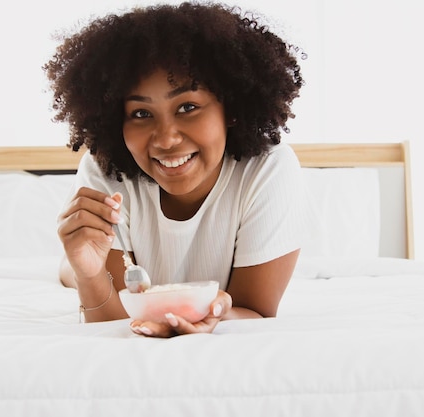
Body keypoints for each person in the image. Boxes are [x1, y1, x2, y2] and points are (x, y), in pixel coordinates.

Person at [44, 2, 306, 338]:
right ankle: (67, 269)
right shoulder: (107, 171)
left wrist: (217, 319)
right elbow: (110, 325)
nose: (166, 139)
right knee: (71, 270)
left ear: (232, 108)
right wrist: (87, 273)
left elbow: (255, 311)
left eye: (187, 107)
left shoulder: (268, 169)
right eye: (140, 113)